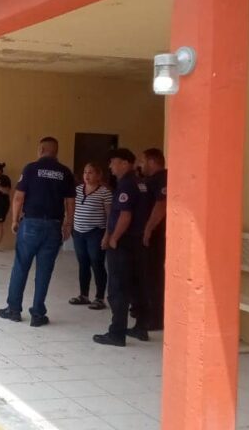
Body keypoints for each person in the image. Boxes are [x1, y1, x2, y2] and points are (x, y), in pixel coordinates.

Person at [0, 137, 75, 327]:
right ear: (55, 151)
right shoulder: (65, 172)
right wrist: (67, 224)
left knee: (21, 266)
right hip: (53, 226)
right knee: (45, 271)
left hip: (31, 224)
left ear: (41, 150)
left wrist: (15, 220)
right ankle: (38, 314)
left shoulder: (31, 169)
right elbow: (70, 202)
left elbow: (18, 198)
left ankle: (14, 310)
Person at [94, 148, 150, 347]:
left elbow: (124, 216)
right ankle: (141, 327)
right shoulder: (140, 183)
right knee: (137, 285)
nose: (110, 166)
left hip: (124, 243)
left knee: (118, 288)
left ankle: (116, 333)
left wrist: (113, 237)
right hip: (138, 241)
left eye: (113, 162)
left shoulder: (126, 185)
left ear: (125, 163)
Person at [68, 162, 112, 309]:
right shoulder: (78, 190)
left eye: (91, 172)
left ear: (98, 175)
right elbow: (72, 209)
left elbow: (110, 215)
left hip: (96, 232)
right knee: (83, 263)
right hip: (78, 232)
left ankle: (99, 297)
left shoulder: (104, 192)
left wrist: (107, 235)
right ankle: (83, 295)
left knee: (97, 263)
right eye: (85, 172)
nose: (87, 175)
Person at [141, 148, 168, 331]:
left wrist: (149, 229)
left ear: (152, 161)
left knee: (154, 276)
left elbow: (161, 205)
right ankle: (148, 312)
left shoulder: (162, 179)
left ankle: (156, 318)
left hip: (157, 235)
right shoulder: (150, 180)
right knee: (147, 275)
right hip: (151, 234)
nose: (139, 165)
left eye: (142, 161)